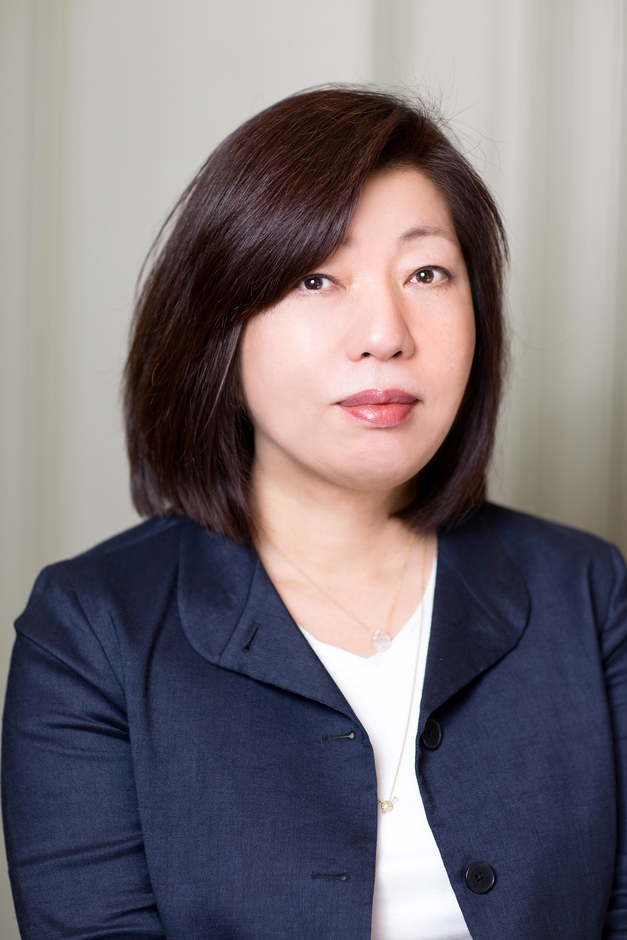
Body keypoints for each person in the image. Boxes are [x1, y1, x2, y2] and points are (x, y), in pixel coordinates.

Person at [2, 86, 627, 940]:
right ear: (218, 326)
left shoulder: (586, 589)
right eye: (315, 277)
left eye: (426, 274)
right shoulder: (91, 629)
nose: (385, 333)